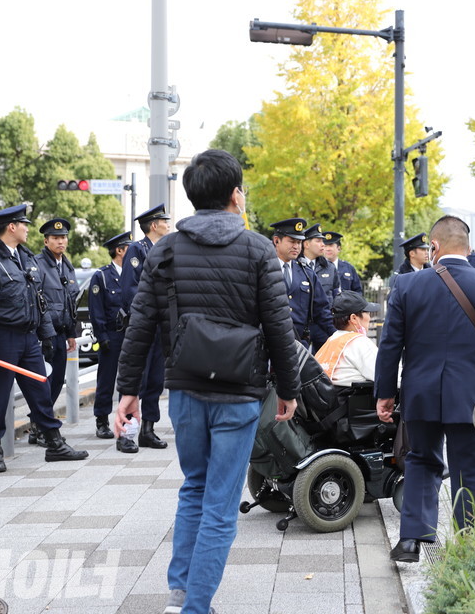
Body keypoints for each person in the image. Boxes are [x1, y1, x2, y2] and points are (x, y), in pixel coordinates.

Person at [114, 149, 299, 614]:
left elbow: (141, 324)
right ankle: (195, 608)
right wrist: (291, 390)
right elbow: (279, 327)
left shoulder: (167, 249)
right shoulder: (258, 249)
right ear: (235, 195)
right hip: (239, 392)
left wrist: (129, 391)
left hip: (186, 389)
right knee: (219, 503)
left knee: (193, 488)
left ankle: (180, 596)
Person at [375, 215, 475, 563]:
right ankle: (471, 543)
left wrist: (384, 393)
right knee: (472, 469)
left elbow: (390, 345)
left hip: (421, 392)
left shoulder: (406, 286)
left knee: (420, 460)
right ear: (468, 249)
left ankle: (412, 540)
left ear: (435, 247)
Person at [0, 204, 88, 473]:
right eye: (24, 224)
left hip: (29, 337)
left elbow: (39, 300)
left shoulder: (24, 258)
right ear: (11, 227)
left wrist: (45, 335)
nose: (27, 229)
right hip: (3, 337)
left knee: (40, 389)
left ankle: (54, 443)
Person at [119, 203, 172, 451]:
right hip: (144, 326)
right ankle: (125, 433)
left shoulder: (165, 249)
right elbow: (131, 289)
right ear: (154, 225)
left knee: (155, 379)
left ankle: (148, 429)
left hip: (161, 325)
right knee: (136, 379)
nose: (168, 224)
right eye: (165, 221)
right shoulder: (136, 250)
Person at [28, 218, 80, 447]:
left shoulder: (67, 266)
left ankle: (39, 425)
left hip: (61, 333)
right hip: (44, 334)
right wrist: (46, 335)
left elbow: (70, 303)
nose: (61, 241)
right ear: (46, 240)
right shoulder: (38, 264)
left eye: (64, 237)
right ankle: (39, 427)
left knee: (57, 380)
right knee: (43, 383)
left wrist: (71, 333)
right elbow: (40, 303)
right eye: (56, 238)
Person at [87, 231, 132, 439]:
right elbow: (96, 310)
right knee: (106, 379)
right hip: (111, 336)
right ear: (120, 250)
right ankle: (102, 420)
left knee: (129, 379)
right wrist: (101, 336)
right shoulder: (102, 276)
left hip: (131, 336)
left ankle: (126, 418)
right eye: (128, 248)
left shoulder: (133, 274)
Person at [270, 217, 334, 351]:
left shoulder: (306, 273)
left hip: (299, 343)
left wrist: (336, 335)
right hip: (269, 343)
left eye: (299, 242)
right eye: (292, 241)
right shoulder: (265, 269)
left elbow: (321, 310)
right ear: (276, 241)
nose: (296, 246)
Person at [315, 291, 380, 385]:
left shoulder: (330, 342)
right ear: (353, 318)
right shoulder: (360, 342)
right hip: (355, 398)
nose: (369, 317)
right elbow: (385, 377)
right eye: (368, 313)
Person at [301, 223, 340, 302]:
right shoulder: (295, 265)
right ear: (306, 244)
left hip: (325, 313)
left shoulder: (329, 267)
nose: (323, 245)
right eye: (318, 241)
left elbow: (336, 294)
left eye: (323, 241)